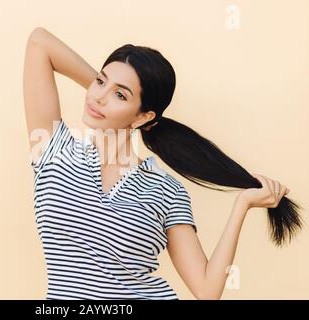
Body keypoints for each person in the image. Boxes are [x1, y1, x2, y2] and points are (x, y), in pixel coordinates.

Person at [23, 27, 303, 300]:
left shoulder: (165, 190)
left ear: (144, 117)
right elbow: (39, 42)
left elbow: (206, 290)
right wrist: (114, 95)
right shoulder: (53, 150)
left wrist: (242, 205)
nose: (98, 96)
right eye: (100, 81)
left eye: (120, 95)